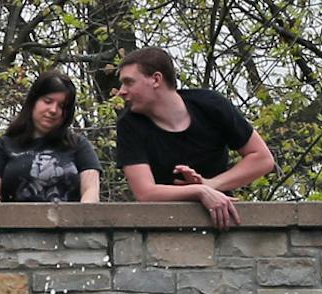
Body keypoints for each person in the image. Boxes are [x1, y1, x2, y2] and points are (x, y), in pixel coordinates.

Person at [112, 48, 276, 228]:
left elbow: (262, 159)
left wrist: (211, 184)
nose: (122, 92)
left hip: (222, 220)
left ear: (156, 79)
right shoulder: (130, 125)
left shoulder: (210, 105)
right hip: (162, 227)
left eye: (129, 83)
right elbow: (145, 193)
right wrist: (199, 191)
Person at [0, 72, 101, 204]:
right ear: (33, 102)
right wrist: (3, 222)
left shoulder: (79, 145)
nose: (53, 110)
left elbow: (91, 191)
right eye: (48, 101)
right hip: (12, 222)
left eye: (62, 106)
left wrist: (81, 220)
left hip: (68, 222)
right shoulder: (2, 146)